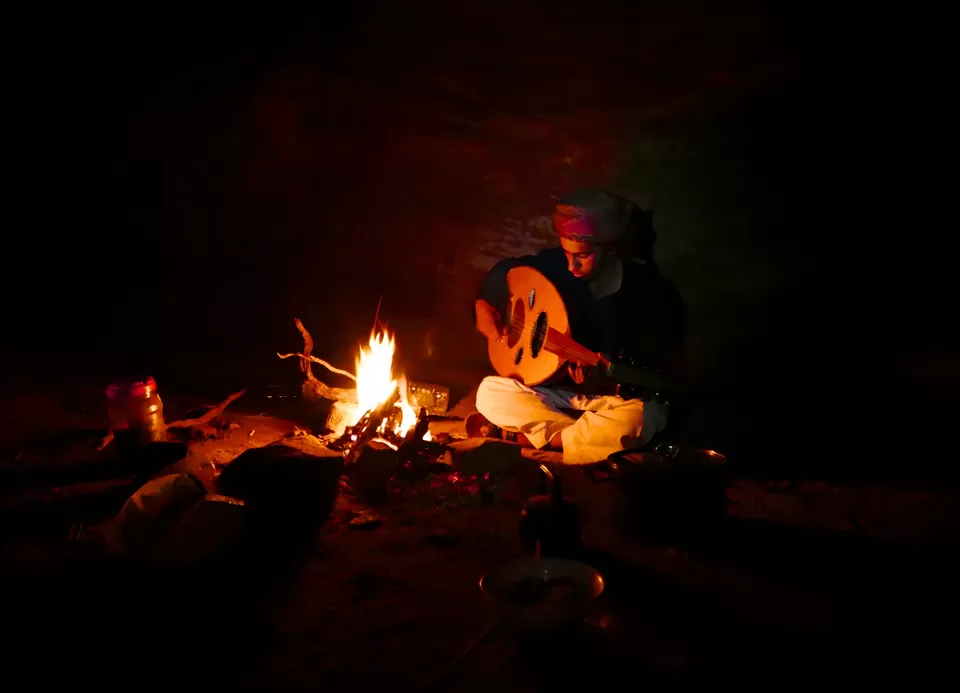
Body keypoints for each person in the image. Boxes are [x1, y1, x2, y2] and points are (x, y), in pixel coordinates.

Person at [473, 187, 686, 464]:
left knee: (643, 419)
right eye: (566, 253)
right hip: (563, 394)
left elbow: (663, 371)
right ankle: (580, 439)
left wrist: (609, 375)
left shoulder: (652, 295)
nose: (571, 265)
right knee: (491, 392)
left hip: (617, 399)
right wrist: (485, 303)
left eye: (583, 256)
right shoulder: (557, 265)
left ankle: (543, 437)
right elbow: (505, 270)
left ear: (611, 250)